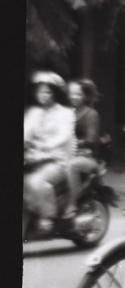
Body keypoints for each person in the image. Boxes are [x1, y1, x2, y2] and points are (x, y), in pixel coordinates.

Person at [23, 71, 77, 230]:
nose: (43, 95)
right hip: (33, 158)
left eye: (47, 91)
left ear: (54, 93)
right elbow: (25, 133)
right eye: (40, 91)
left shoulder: (65, 113)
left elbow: (64, 136)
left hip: (57, 159)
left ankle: (47, 217)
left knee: (35, 181)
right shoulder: (33, 113)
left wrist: (44, 146)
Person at [67, 79, 102, 212]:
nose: (74, 97)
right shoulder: (67, 112)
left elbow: (91, 139)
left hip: (87, 156)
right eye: (72, 94)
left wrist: (75, 142)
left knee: (71, 165)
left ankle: (73, 203)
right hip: (67, 151)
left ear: (85, 96)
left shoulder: (91, 114)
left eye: (78, 94)